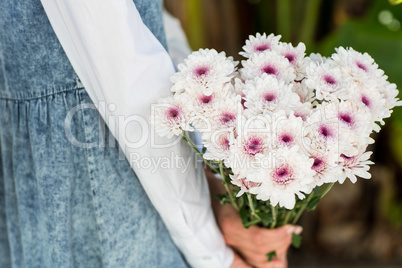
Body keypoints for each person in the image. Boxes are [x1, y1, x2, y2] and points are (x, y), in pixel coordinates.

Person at [0, 0, 297, 267]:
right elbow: (129, 72)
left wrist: (214, 188)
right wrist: (215, 255)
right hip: (109, 185)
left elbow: (150, 24)